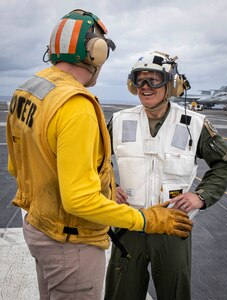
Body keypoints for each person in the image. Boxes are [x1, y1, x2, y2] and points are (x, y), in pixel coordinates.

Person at [6, 11, 193, 300]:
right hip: (70, 244)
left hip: (38, 228)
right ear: (96, 53)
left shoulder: (28, 90)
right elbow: (79, 200)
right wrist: (147, 219)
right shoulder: (76, 105)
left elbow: (16, 166)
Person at [104, 51, 227, 300]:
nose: (145, 87)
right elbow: (94, 160)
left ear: (172, 84)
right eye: (139, 80)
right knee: (121, 293)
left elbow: (224, 162)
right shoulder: (119, 121)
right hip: (129, 222)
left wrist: (202, 196)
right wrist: (110, 185)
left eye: (153, 79)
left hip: (172, 225)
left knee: (174, 293)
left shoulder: (194, 124)